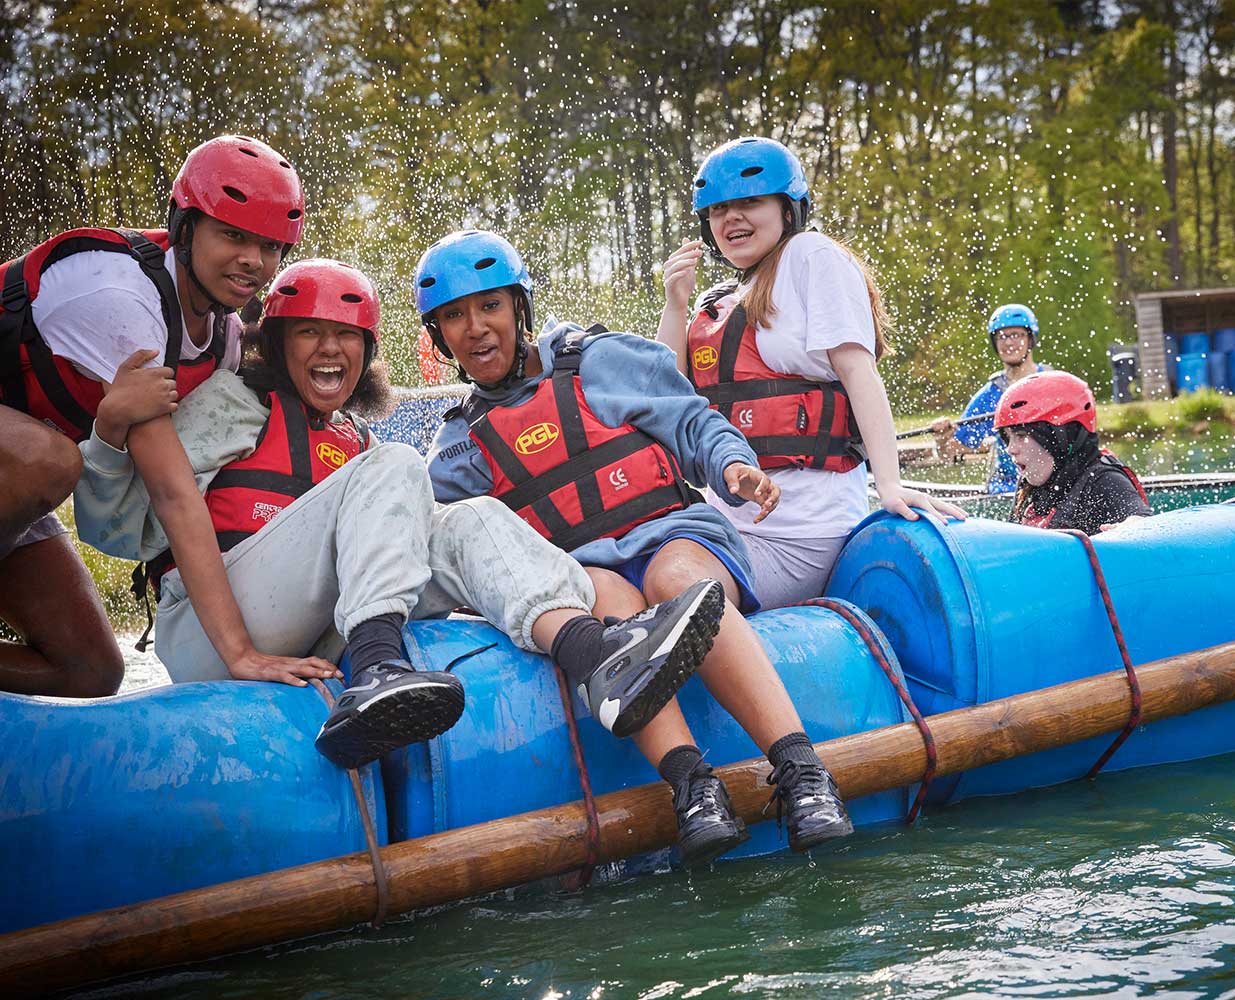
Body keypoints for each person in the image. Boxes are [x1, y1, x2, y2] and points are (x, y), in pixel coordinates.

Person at [73, 258, 724, 771]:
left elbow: (430, 545)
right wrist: (107, 431)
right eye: (310, 333)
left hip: (310, 632)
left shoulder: (356, 439)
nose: (331, 351)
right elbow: (116, 531)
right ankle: (380, 669)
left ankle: (594, 655)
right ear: (274, 342)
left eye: (346, 336)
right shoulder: (232, 403)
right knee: (398, 466)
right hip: (212, 636)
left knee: (466, 517)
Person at [420, 229, 855, 862]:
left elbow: (693, 421)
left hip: (676, 537)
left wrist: (733, 467)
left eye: (489, 306)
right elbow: (455, 547)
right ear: (438, 337)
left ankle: (803, 772)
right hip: (590, 573)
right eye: (454, 317)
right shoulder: (458, 448)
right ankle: (692, 786)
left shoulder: (597, 360)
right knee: (609, 606)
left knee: (673, 583)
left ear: (520, 308)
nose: (476, 328)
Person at [0, 134, 306, 697]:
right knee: (50, 460)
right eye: (233, 235)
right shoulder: (122, 299)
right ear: (185, 228)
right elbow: (171, 494)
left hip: (9, 490)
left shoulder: (226, 338)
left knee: (90, 670)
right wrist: (239, 653)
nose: (253, 261)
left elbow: (171, 487)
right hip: (23, 468)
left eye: (270, 246)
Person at [656, 136, 963, 608]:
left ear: (788, 209)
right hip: (726, 526)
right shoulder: (717, 301)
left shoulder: (812, 257)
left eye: (749, 202)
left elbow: (859, 372)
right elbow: (668, 401)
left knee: (669, 582)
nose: (731, 218)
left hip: (799, 536)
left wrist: (890, 484)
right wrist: (675, 306)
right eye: (718, 209)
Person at [992, 370, 1151, 534]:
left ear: (1061, 436)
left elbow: (1142, 520)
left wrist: (1133, 525)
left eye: (1021, 436)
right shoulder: (1029, 485)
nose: (1010, 449)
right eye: (1007, 438)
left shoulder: (1104, 481)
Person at [931, 303, 1053, 495]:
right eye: (1001, 336)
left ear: (1030, 339)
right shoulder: (990, 395)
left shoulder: (1053, 384)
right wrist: (941, 440)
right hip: (1007, 489)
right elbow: (950, 453)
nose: (1008, 343)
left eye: (1016, 335)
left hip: (1053, 484)